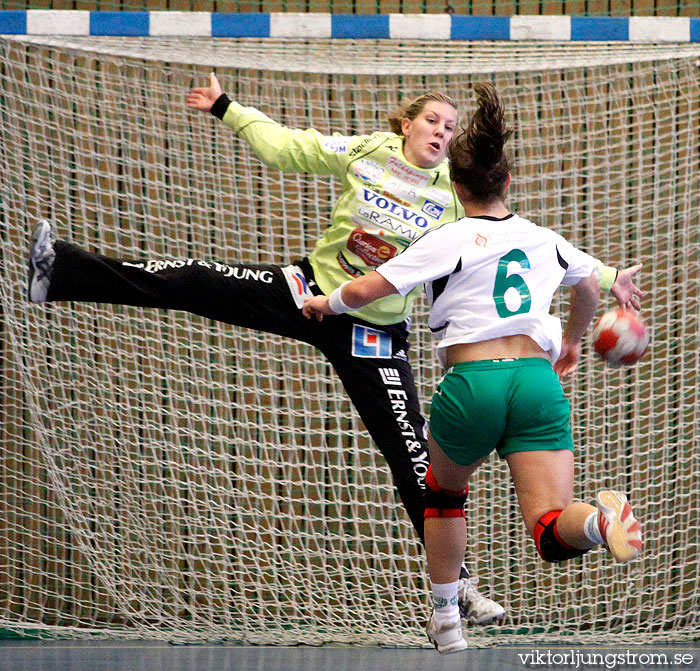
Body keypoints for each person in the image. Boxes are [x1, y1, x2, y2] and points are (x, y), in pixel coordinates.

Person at [27, 75, 639, 627]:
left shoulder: (455, 201)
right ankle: (62, 273)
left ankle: (458, 591)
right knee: (192, 281)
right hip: (309, 292)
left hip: (371, 332)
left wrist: (611, 279)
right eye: (433, 120)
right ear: (405, 123)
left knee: (416, 464)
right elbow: (288, 147)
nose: (442, 132)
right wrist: (226, 108)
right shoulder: (366, 153)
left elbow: (526, 247)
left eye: (451, 129)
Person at [301, 82, 643, 654]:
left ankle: (446, 621)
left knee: (443, 497)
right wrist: (574, 344)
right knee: (550, 526)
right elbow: (589, 284)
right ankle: (598, 525)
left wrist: (323, 303)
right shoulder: (544, 239)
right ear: (507, 182)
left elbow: (365, 290)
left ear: (457, 189)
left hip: (473, 382)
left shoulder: (450, 235)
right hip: (537, 382)